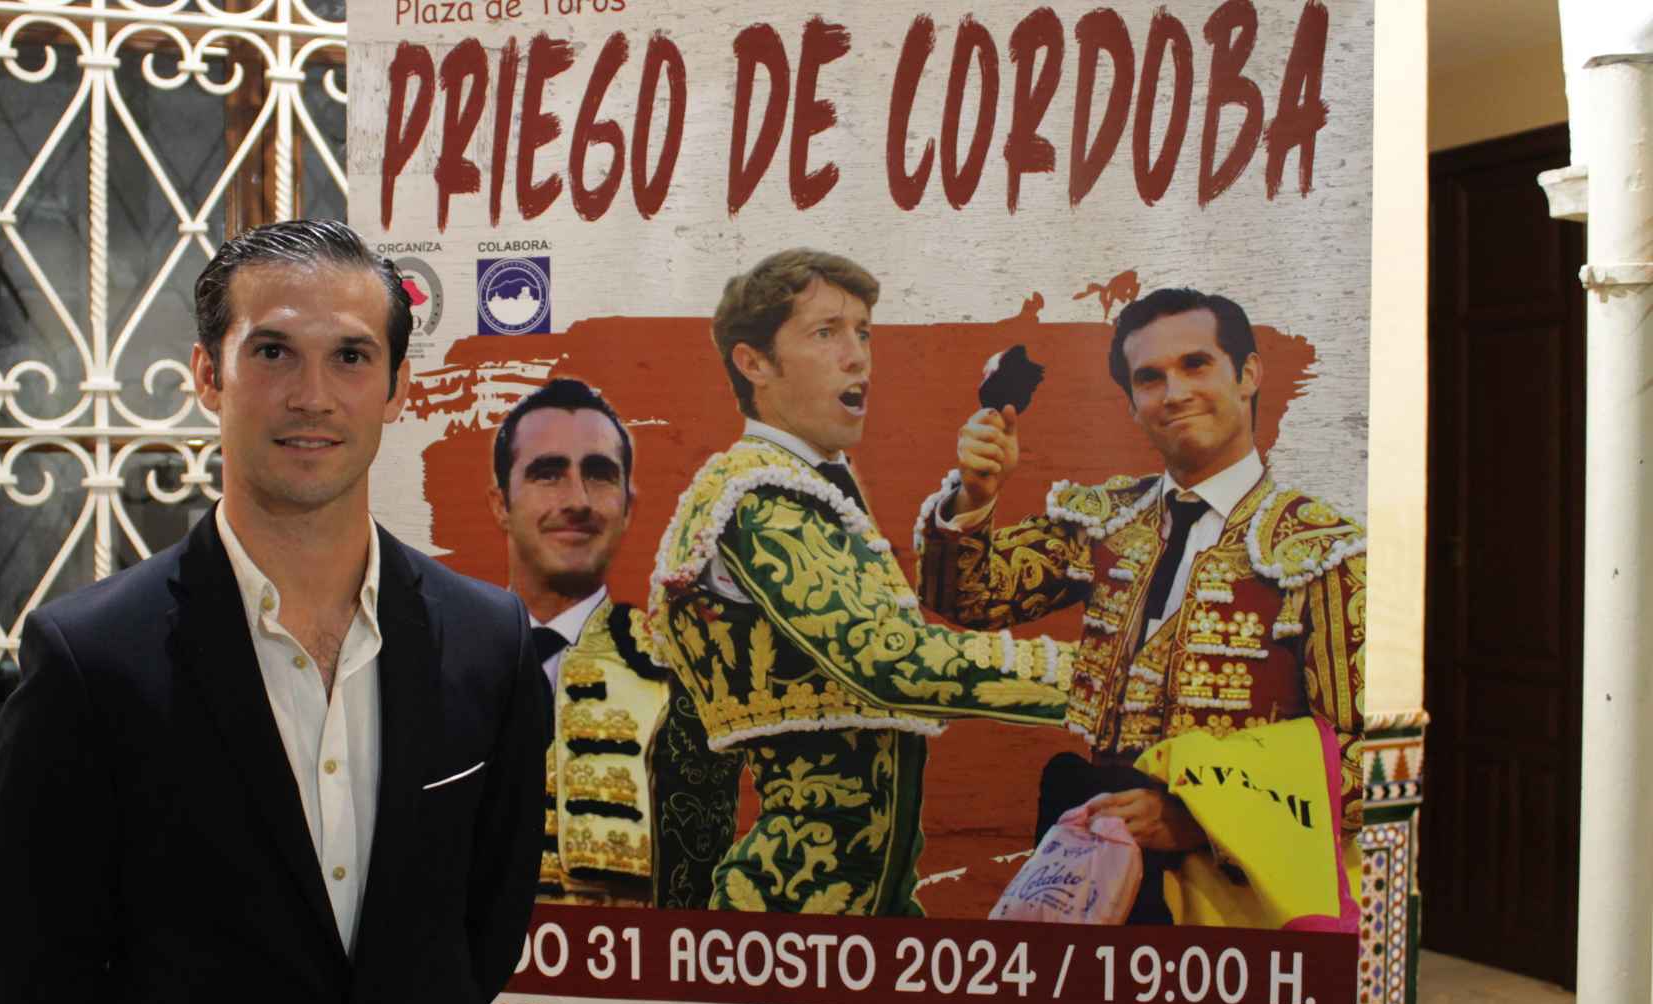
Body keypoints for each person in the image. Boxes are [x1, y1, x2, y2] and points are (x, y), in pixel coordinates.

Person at [0, 220, 547, 1004]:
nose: (313, 396)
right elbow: (40, 967)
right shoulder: (91, 660)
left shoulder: (488, 642)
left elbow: (481, 931)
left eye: (352, 357)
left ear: (397, 387)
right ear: (209, 374)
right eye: (272, 351)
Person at [914, 287, 1365, 923]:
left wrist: (1201, 820)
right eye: (1149, 378)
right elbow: (967, 596)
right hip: (1099, 857)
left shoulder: (1320, 551)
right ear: (1132, 404)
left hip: (1233, 890)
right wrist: (975, 493)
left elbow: (1366, 755)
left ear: (1250, 374)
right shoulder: (1107, 522)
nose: (1174, 392)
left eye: (1196, 364)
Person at [647, 248, 1075, 917]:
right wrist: (1102, 678)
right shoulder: (760, 494)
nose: (859, 356)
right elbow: (887, 657)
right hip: (793, 918)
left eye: (864, 332)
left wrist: (973, 494)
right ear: (753, 362)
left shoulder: (813, 484)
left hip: (855, 911)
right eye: (827, 332)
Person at [487, 378, 742, 909]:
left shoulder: (685, 676)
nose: (577, 500)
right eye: (548, 473)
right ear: (501, 505)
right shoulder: (433, 666)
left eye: (599, 475)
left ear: (627, 506)